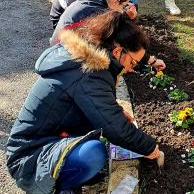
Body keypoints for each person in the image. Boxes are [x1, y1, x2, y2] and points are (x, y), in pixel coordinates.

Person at [6, 11, 161, 193]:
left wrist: (117, 110)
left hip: (48, 140)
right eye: (133, 63)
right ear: (118, 51)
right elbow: (114, 128)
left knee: (94, 149)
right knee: (93, 154)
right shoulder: (89, 72)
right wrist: (150, 148)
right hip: (29, 159)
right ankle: (58, 187)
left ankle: (68, 173)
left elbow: (92, 103)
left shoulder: (88, 62)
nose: (131, 69)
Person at [50, 0, 165, 71]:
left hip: (57, 49)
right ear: (116, 2)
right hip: (65, 57)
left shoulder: (93, 2)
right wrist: (150, 60)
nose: (123, 10)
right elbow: (127, 40)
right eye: (123, 5)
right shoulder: (100, 14)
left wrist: (129, 17)